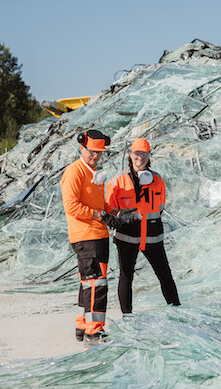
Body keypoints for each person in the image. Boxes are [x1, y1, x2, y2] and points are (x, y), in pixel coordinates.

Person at [60, 129, 139, 344]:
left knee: (88, 283)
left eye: (99, 153)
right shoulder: (74, 172)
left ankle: (82, 324)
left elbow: (99, 203)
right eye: (92, 152)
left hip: (98, 235)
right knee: (96, 283)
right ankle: (94, 330)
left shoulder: (93, 173)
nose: (95, 156)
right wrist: (100, 215)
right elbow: (71, 207)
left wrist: (116, 213)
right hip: (85, 236)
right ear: (81, 147)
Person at [106, 138, 180, 314]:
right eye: (137, 153)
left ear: (149, 156)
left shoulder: (157, 180)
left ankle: (177, 312)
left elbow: (160, 206)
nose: (140, 157)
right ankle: (127, 317)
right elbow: (109, 209)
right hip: (127, 237)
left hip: (153, 236)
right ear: (130, 155)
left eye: (144, 154)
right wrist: (124, 218)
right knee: (126, 277)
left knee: (165, 275)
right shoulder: (118, 181)